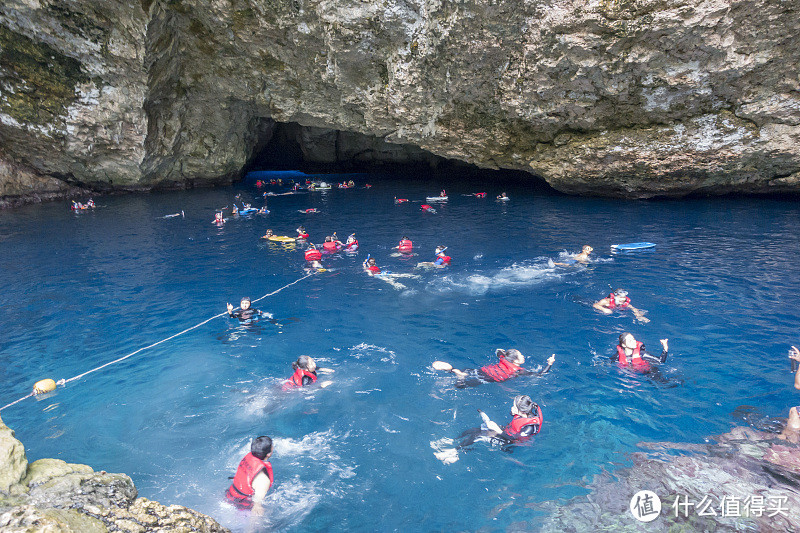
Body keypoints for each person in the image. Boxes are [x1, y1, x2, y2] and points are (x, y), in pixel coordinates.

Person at [434, 349, 555, 388]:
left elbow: (498, 352)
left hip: (482, 370)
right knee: (460, 387)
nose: (523, 356)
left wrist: (504, 352)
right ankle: (458, 375)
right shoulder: (518, 370)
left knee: (464, 373)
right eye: (521, 355)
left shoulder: (503, 358)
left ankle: (452, 370)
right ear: (515, 361)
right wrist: (549, 363)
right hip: (488, 378)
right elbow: (540, 375)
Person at [226, 435, 273, 513]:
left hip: (229, 496)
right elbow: (257, 507)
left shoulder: (249, 457)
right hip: (242, 507)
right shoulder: (263, 480)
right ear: (268, 454)